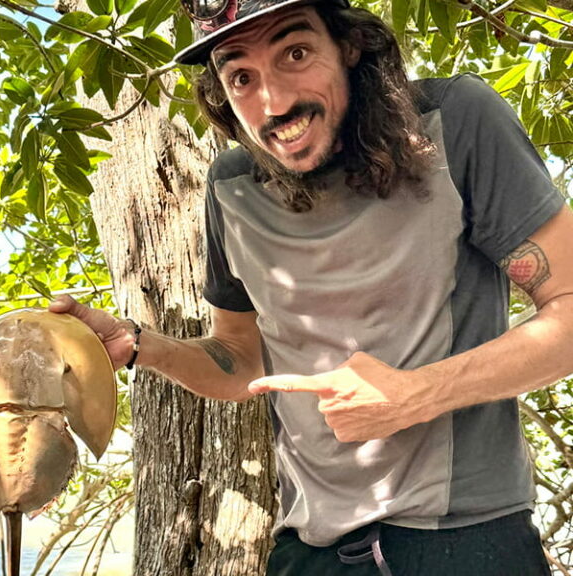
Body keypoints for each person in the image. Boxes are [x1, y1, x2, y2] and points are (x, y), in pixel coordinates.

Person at [50, 0, 573, 573]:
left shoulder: (457, 121)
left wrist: (414, 395)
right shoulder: (231, 187)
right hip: (309, 549)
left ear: (348, 44)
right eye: (241, 77)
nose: (274, 104)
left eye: (295, 53)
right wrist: (137, 345)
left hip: (466, 540)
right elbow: (240, 359)